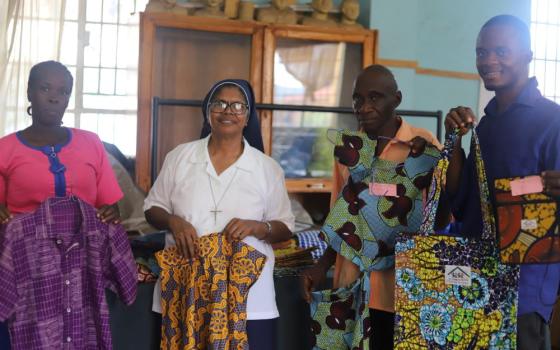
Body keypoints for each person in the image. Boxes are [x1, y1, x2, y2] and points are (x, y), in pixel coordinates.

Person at [144, 79, 295, 349]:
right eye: (220, 104)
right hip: (185, 292)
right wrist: (172, 221)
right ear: (207, 111)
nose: (228, 111)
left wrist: (257, 227)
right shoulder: (180, 157)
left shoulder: (266, 168)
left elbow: (285, 226)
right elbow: (152, 208)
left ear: (248, 116)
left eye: (238, 105)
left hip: (249, 298)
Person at [302, 64, 445, 349]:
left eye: (375, 97)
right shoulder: (349, 149)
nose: (364, 107)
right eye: (358, 98)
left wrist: (434, 161)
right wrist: (320, 267)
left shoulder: (423, 144)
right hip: (352, 285)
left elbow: (442, 216)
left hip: (402, 288)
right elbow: (339, 219)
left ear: (397, 99)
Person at [444, 15, 560, 350]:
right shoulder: (485, 127)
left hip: (524, 291)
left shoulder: (551, 121)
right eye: (481, 52)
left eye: (501, 51)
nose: (488, 60)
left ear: (528, 55)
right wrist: (453, 139)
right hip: (476, 281)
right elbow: (463, 203)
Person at [0, 61, 128, 348]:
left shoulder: (91, 143)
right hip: (28, 267)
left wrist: (111, 211)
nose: (54, 97)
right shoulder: (4, 149)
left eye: (63, 91)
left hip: (81, 264)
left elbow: (110, 205)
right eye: (45, 88)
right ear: (30, 92)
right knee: (29, 337)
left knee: (81, 335)